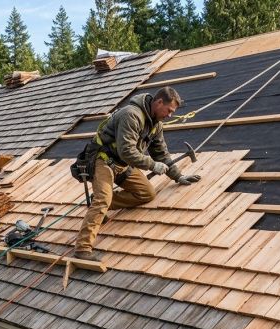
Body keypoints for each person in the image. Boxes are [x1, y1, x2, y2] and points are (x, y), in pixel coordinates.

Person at [74, 86, 201, 261]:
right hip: (103, 160)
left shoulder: (156, 124)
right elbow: (127, 151)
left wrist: (178, 176)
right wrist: (152, 165)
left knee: (147, 193)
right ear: (159, 102)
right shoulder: (132, 114)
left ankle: (102, 203)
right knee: (102, 199)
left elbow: (161, 153)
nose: (170, 115)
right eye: (169, 110)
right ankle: (82, 248)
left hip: (123, 164)